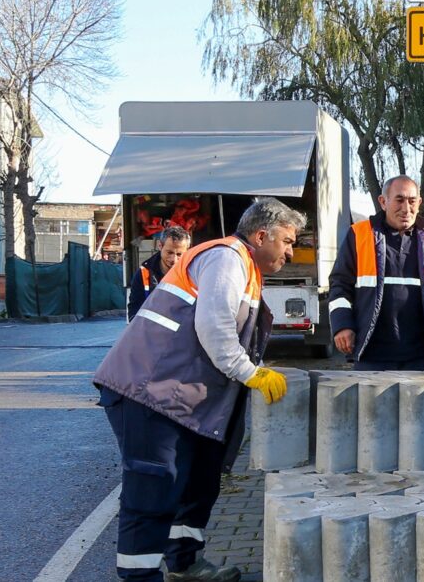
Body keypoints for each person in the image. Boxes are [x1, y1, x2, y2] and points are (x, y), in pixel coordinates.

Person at [93, 198, 302, 582]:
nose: (291, 250)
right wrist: (250, 373)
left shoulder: (245, 267)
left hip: (176, 397)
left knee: (195, 484)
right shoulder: (227, 259)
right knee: (154, 489)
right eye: (287, 241)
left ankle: (185, 563)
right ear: (261, 235)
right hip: (148, 393)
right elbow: (214, 328)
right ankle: (139, 576)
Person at [329, 175, 424, 370]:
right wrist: (343, 325)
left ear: (420, 203)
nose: (406, 209)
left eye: (412, 201)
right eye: (399, 200)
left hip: (419, 355)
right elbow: (340, 285)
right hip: (371, 354)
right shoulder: (359, 235)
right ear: (383, 202)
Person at [128, 225, 191, 321]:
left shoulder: (192, 275)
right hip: (151, 333)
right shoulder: (143, 274)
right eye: (169, 252)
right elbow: (134, 311)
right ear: (160, 246)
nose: (174, 259)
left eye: (179, 254)